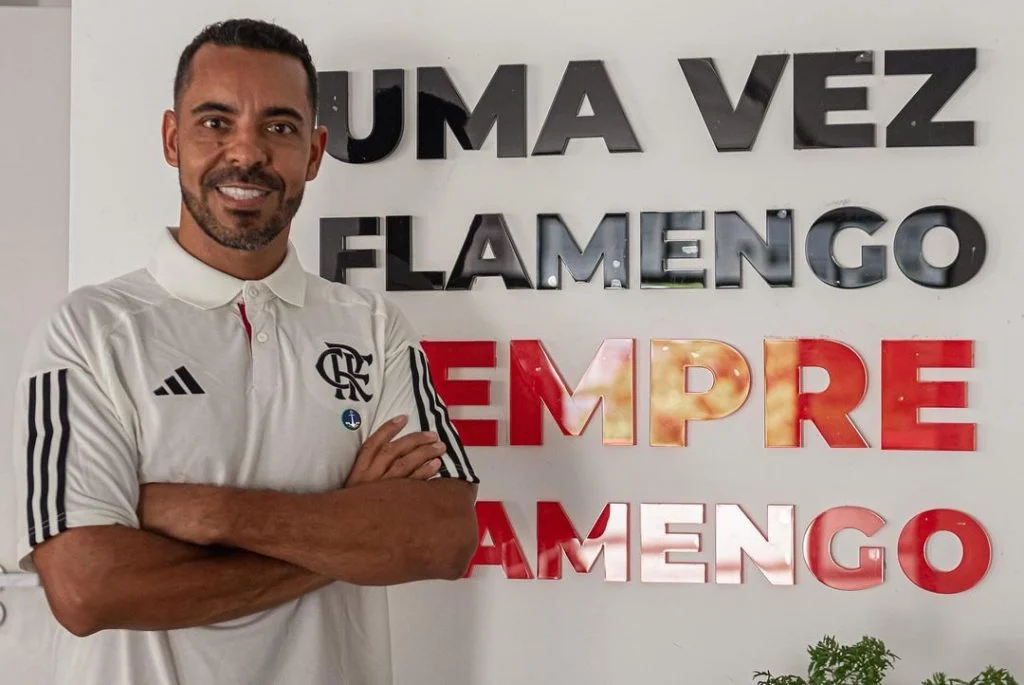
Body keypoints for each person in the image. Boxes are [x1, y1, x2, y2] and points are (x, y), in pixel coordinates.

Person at [11, 17, 480, 685]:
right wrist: (349, 526)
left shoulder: (372, 326)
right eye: (215, 122)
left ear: (314, 153)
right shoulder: (87, 332)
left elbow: (441, 537)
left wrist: (206, 512)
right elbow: (89, 590)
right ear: (172, 139)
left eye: (279, 127)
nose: (246, 152)